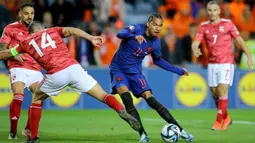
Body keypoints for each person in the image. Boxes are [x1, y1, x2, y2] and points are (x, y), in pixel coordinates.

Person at [0, 21, 141, 143]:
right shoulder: (53, 30)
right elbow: (73, 30)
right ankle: (121, 110)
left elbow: (6, 54)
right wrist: (91, 37)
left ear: (30, 33)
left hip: (56, 73)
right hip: (74, 68)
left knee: (36, 98)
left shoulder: (24, 43)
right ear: (42, 29)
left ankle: (34, 137)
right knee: (102, 95)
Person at [109, 13, 194, 142]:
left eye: (160, 26)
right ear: (148, 24)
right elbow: (120, 34)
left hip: (135, 73)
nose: (157, 28)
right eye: (155, 24)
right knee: (126, 98)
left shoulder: (156, 43)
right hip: (118, 70)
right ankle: (143, 134)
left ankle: (181, 130)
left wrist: (179, 71)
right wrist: (133, 36)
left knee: (151, 99)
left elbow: (158, 61)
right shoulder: (137, 29)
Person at [192, 0, 254, 130]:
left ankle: (217, 122)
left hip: (226, 62)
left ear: (219, 11)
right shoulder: (203, 26)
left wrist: (248, 56)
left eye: (215, 10)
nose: (212, 12)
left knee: (222, 90)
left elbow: (240, 40)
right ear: (207, 11)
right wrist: (195, 48)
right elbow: (196, 41)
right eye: (210, 10)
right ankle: (226, 117)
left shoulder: (228, 24)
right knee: (214, 92)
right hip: (212, 63)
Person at [0, 2, 43, 139]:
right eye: (26, 13)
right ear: (20, 14)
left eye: (32, 13)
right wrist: (13, 54)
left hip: (35, 69)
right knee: (18, 97)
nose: (29, 16)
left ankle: (28, 129)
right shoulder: (10, 28)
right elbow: (2, 48)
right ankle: (13, 132)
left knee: (40, 98)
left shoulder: (39, 30)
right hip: (17, 67)